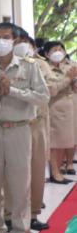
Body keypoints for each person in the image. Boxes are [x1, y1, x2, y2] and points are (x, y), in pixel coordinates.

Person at [0, 22, 48, 233]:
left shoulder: (29, 66)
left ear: (15, 40)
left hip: (19, 129)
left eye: (6, 37)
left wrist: (14, 91)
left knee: (20, 184)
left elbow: (42, 97)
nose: (1, 41)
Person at [13, 31, 52, 229]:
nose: (21, 45)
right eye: (16, 41)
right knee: (12, 174)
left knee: (36, 171)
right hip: (12, 125)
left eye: (24, 42)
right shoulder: (0, 65)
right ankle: (11, 216)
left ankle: (33, 214)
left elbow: (49, 90)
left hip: (36, 123)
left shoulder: (40, 64)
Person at [44, 41, 77, 183]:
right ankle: (54, 172)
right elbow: (52, 89)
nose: (58, 52)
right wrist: (68, 79)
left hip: (68, 109)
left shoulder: (69, 67)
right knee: (54, 144)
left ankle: (58, 170)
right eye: (54, 50)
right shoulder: (46, 68)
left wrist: (73, 82)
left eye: (60, 49)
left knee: (64, 143)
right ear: (47, 54)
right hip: (54, 108)